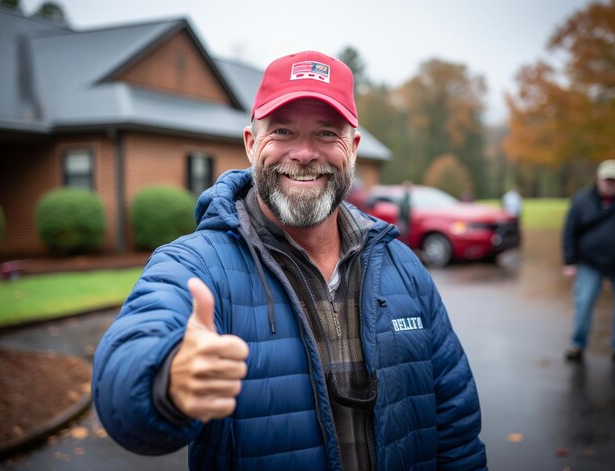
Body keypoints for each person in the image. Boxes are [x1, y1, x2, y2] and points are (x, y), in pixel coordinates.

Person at [93, 50, 487, 470]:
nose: (303, 153)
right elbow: (124, 371)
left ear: (352, 148)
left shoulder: (401, 265)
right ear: (250, 143)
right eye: (281, 130)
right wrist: (166, 381)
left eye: (325, 133)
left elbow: (457, 434)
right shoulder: (196, 266)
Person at [562, 159, 615, 362]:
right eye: (607, 180)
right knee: (583, 304)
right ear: (599, 179)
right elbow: (569, 231)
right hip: (589, 263)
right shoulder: (582, 200)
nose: (610, 184)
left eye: (614, 181)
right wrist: (569, 261)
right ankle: (578, 343)